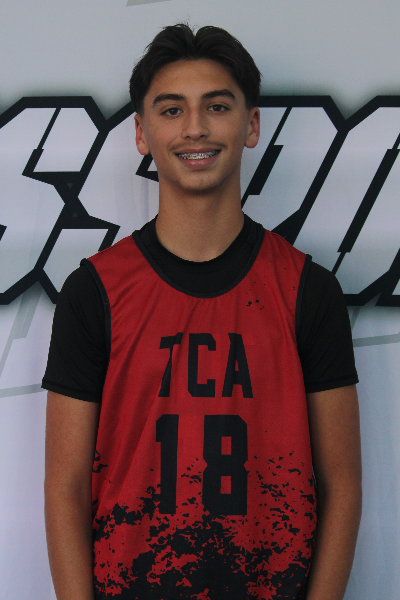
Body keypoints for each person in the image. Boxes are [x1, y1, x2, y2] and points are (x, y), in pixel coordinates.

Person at [43, 23, 362, 600]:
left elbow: (341, 486)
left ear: (251, 125)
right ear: (141, 133)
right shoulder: (94, 291)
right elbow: (65, 488)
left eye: (217, 106)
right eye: (172, 110)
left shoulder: (308, 290)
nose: (195, 127)